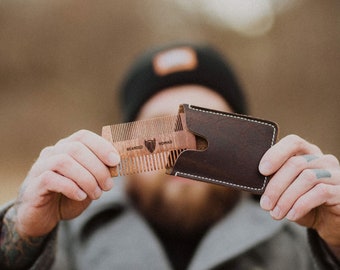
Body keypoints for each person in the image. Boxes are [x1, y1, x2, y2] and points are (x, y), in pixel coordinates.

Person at [1, 43, 339, 270]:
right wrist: (22, 233)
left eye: (205, 125)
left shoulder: (302, 239)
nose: (185, 144)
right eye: (162, 124)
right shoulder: (65, 236)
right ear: (128, 141)